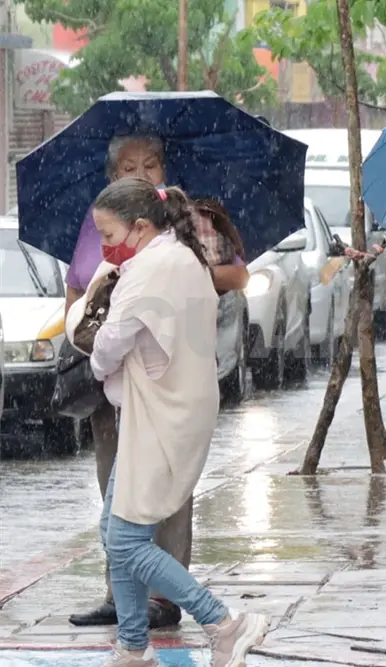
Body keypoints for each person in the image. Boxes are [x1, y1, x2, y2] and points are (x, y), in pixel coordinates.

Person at [67, 178, 269, 667]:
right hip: (161, 411)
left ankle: (224, 622)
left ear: (139, 226)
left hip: (161, 417)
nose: (105, 245)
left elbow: (106, 346)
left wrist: (96, 333)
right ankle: (134, 646)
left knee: (127, 542)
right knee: (116, 533)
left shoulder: (152, 268)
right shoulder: (179, 257)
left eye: (108, 234)